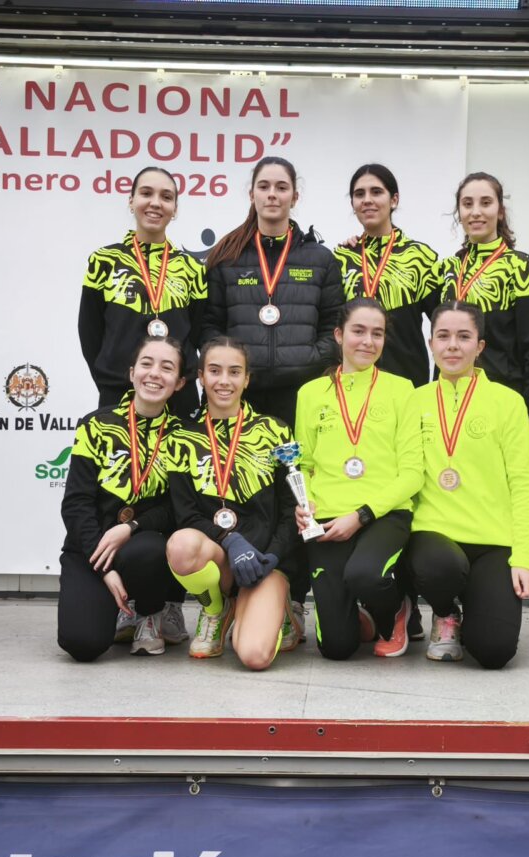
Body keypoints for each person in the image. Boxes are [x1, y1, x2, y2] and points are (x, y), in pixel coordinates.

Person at [202, 155, 344, 640]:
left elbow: (334, 332)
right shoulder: (225, 255)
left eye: (282, 187)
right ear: (252, 194)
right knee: (236, 491)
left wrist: (296, 363)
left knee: (296, 498)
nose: (273, 195)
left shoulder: (321, 260)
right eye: (264, 186)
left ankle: (294, 598)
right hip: (239, 400)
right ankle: (227, 597)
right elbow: (209, 329)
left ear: (294, 197)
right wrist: (233, 374)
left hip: (300, 399)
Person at [405, 301, 529, 668]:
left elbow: (525, 483)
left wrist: (523, 559)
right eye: (443, 336)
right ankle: (446, 612)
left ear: (480, 346)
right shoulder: (411, 402)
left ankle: (476, 607)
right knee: (438, 565)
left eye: (464, 337)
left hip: (493, 542)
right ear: (431, 343)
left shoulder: (508, 403)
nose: (453, 345)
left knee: (495, 653)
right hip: (433, 535)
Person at [293, 299, 423, 659]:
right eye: (358, 331)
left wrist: (362, 515)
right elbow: (302, 462)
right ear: (338, 335)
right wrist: (304, 506)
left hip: (383, 513)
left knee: (366, 574)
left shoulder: (402, 390)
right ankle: (354, 615)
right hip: (326, 519)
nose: (367, 341)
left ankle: (394, 612)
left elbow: (413, 472)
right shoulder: (309, 394)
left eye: (377, 333)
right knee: (336, 648)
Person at [164, 338, 301, 670]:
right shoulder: (181, 438)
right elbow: (186, 515)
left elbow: (290, 508)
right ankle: (216, 610)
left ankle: (277, 608)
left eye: (234, 372)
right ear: (200, 376)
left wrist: (275, 555)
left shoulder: (277, 431)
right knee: (181, 546)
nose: (224, 381)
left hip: (267, 559)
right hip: (221, 557)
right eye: (214, 371)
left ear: (247, 379)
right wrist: (231, 540)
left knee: (254, 657)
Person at [58, 337, 189, 662]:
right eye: (146, 364)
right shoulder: (95, 425)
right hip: (91, 548)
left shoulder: (185, 434)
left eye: (167, 367)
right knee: (82, 645)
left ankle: (148, 613)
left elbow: (177, 509)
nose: (154, 374)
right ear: (132, 373)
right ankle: (117, 606)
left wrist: (131, 526)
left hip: (142, 547)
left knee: (148, 550)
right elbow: (76, 504)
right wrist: (103, 569)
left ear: (180, 383)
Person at [78, 166, 206, 416]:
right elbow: (90, 332)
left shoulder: (192, 267)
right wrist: (111, 376)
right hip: (118, 392)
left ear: (175, 209)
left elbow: (199, 333)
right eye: (146, 193)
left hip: (179, 395)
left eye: (166, 197)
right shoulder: (105, 260)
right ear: (131, 201)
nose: (156, 203)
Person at [436, 172, 529, 437]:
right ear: (459, 212)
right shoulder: (448, 269)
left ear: (500, 211)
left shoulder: (520, 267)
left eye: (485, 203)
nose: (476, 212)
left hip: (503, 398)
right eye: (467, 204)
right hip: (449, 399)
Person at [333, 164, 440, 387]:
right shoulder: (341, 258)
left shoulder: (419, 258)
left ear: (394, 200)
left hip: (408, 382)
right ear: (352, 204)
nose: (367, 200)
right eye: (359, 194)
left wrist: (441, 381)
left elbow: (442, 325)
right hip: (352, 386)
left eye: (377, 192)